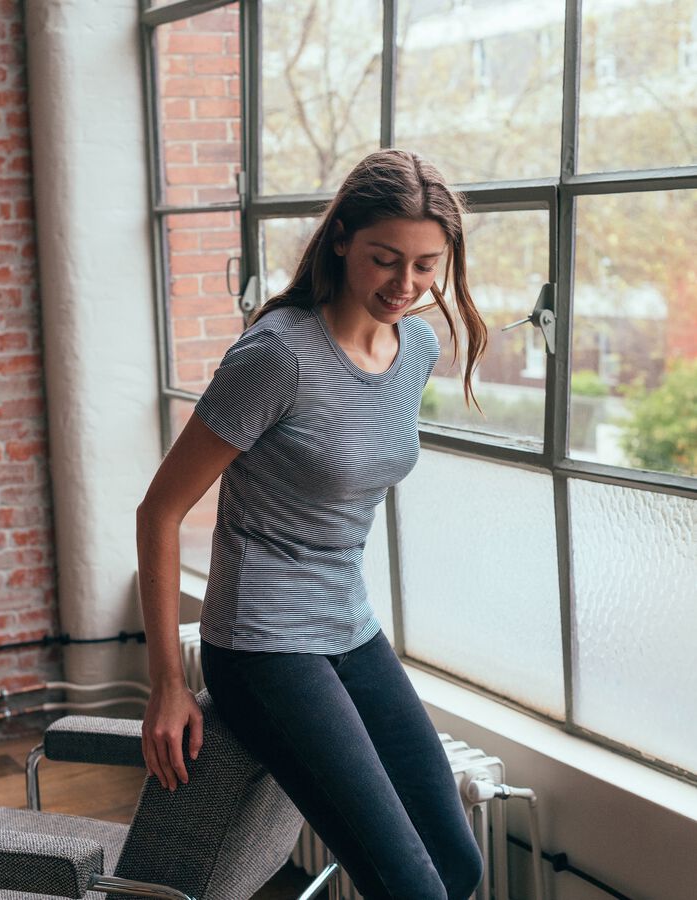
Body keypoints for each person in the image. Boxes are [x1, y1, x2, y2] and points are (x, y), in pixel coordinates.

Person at [136, 148, 488, 900]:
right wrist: (166, 684)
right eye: (384, 259)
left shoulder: (416, 346)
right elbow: (159, 511)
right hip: (261, 646)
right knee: (410, 887)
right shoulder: (277, 355)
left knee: (457, 866)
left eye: (426, 266)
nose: (405, 285)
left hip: (348, 628)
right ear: (341, 240)